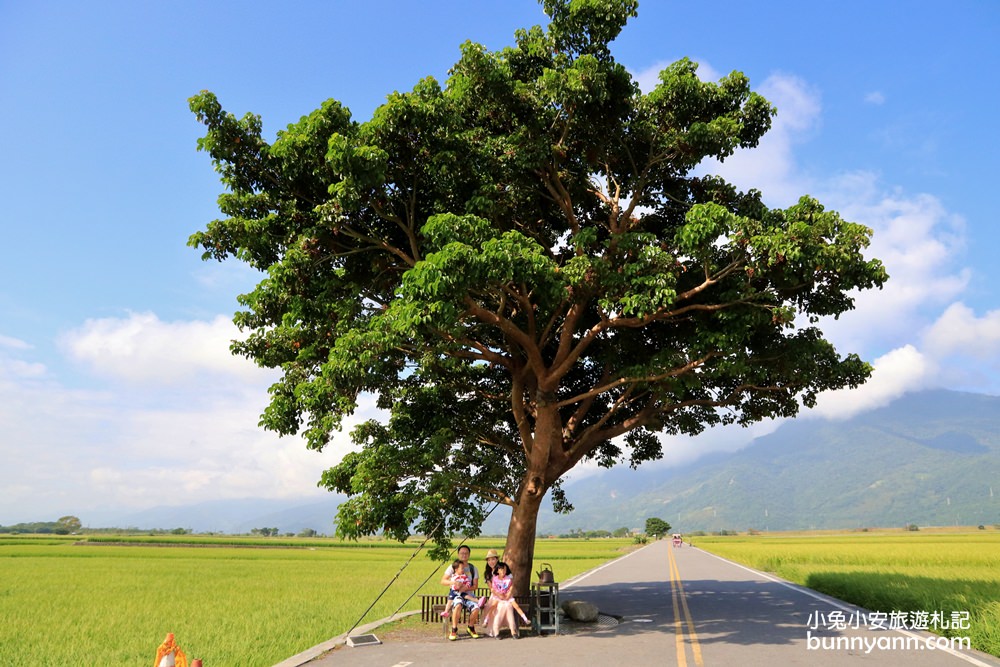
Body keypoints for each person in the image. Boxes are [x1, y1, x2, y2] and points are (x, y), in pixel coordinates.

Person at [440, 545, 481, 640]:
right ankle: (454, 629)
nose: (464, 555)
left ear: (469, 555)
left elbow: (475, 586)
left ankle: (471, 627)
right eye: (462, 553)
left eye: (466, 553)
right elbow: (443, 581)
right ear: (458, 554)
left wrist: (465, 588)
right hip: (456, 595)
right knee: (458, 604)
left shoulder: (473, 568)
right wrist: (454, 583)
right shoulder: (453, 566)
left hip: (468, 594)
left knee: (476, 608)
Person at [489, 561, 528, 639]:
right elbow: (493, 590)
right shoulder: (495, 579)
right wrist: (500, 595)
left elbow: (511, 588)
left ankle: (513, 630)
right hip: (498, 598)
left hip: (507, 598)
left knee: (509, 607)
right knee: (499, 609)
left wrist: (508, 595)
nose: (503, 572)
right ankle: (496, 631)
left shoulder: (508, 579)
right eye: (501, 570)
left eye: (504, 570)